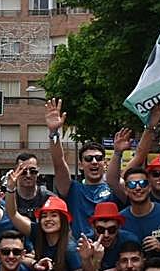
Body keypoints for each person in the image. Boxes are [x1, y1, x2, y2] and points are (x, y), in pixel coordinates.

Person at [44, 99, 114, 238]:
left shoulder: (115, 188)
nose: (94, 162)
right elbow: (58, 162)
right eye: (88, 159)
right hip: (78, 251)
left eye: (98, 158)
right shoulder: (72, 189)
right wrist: (53, 133)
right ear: (81, 164)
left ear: (104, 163)